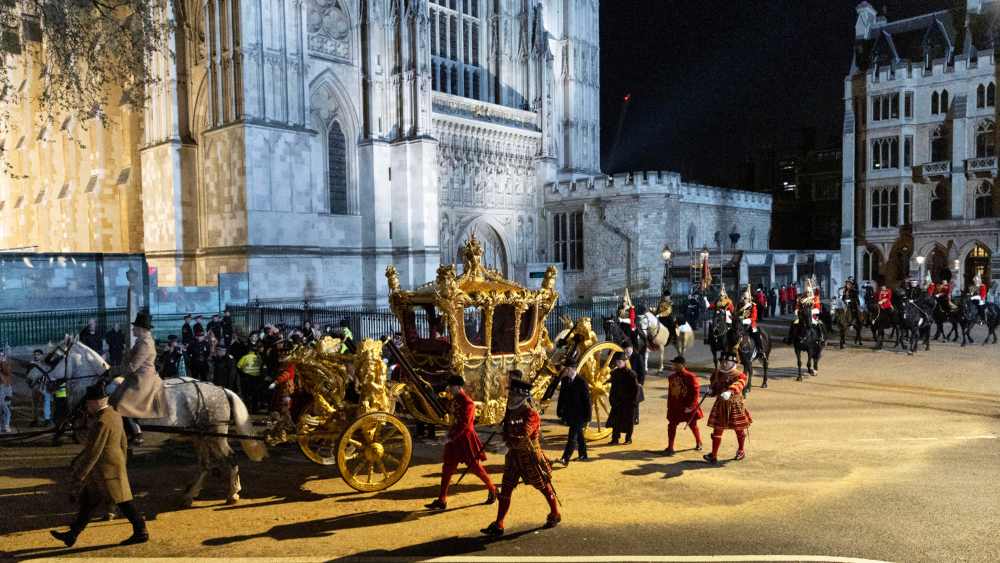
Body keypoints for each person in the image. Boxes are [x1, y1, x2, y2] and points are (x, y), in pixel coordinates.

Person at [50, 383, 149, 547]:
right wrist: (122, 461)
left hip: (105, 470)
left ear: (96, 402)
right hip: (112, 466)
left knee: (124, 502)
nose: (87, 407)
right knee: (89, 502)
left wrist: (79, 475)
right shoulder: (115, 414)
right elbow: (123, 441)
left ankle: (141, 531)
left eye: (88, 403)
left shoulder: (101, 421)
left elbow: (93, 452)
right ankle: (72, 534)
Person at [481, 371, 560, 537]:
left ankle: (555, 513)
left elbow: (524, 435)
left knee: (543, 486)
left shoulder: (531, 413)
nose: (509, 396)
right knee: (506, 489)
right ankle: (499, 523)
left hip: (529, 456)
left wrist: (504, 444)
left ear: (520, 395)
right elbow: (507, 430)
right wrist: (504, 436)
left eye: (512, 393)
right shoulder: (511, 410)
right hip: (513, 457)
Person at [425, 375, 497, 510]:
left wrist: (450, 437)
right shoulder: (455, 399)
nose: (449, 389)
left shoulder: (468, 403)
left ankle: (492, 489)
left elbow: (464, 425)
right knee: (447, 468)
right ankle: (442, 499)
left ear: (458, 387)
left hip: (465, 439)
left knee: (476, 468)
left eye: (451, 386)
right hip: (454, 439)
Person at [111, 313, 167, 445]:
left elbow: (132, 367)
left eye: (134, 327)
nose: (132, 329)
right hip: (136, 377)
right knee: (115, 398)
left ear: (141, 329)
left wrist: (113, 371)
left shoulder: (145, 344)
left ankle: (138, 434)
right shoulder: (141, 340)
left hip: (143, 379)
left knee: (122, 405)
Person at [704, 352, 752, 465]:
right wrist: (711, 391)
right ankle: (714, 455)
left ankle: (741, 450)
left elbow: (740, 384)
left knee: (739, 429)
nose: (724, 364)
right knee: (717, 430)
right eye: (723, 361)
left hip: (734, 404)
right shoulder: (717, 374)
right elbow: (715, 387)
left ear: (733, 363)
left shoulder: (740, 375)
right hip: (720, 404)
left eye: (727, 362)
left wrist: (730, 391)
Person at [664, 355, 703, 455]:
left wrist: (691, 406)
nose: (674, 365)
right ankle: (670, 446)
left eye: (677, 364)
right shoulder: (671, 377)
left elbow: (696, 392)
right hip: (675, 406)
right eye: (674, 364)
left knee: (693, 425)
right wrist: (669, 406)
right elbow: (670, 393)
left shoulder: (690, 376)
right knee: (671, 425)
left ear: (682, 365)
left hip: (687, 406)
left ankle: (699, 442)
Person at [556, 360, 591, 465]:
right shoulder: (565, 380)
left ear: (574, 369)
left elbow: (587, 401)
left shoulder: (582, 382)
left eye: (568, 369)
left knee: (572, 437)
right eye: (566, 369)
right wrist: (559, 410)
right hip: (570, 414)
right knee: (579, 435)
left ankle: (565, 458)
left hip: (580, 415)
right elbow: (561, 397)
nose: (566, 371)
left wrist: (588, 417)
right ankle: (583, 455)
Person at [608, 351, 639, 445]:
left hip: (629, 402)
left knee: (629, 421)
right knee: (616, 421)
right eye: (617, 362)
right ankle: (615, 439)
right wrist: (612, 399)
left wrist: (633, 402)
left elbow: (635, 389)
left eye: (620, 362)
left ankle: (628, 438)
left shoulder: (631, 374)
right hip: (617, 401)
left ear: (625, 362)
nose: (618, 363)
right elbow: (613, 388)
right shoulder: (614, 373)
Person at [26, 349, 52, 427]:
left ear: (42, 355)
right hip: (36, 386)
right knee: (35, 403)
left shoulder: (45, 364)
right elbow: (28, 376)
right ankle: (35, 419)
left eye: (38, 354)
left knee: (46, 402)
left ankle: (46, 419)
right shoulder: (31, 364)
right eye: (35, 354)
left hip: (44, 386)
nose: (36, 356)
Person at [236, 346, 264, 412]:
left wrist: (242, 375)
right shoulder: (258, 358)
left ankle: (246, 408)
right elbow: (262, 367)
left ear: (248, 351)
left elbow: (238, 366)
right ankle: (255, 409)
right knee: (255, 394)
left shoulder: (245, 357)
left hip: (247, 378)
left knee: (246, 394)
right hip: (256, 378)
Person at [739, 285, 765, 356]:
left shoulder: (753, 305)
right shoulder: (740, 305)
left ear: (749, 298)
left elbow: (754, 317)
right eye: (743, 297)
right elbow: (736, 313)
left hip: (750, 324)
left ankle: (760, 350)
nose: (743, 299)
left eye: (745, 298)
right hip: (740, 324)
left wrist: (745, 320)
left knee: (756, 335)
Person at [0, 349, 13, 433]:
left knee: (7, 406)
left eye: (1, 355)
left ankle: (5, 425)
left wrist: (3, 362)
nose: (0, 357)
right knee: (3, 408)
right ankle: (5, 425)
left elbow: (7, 372)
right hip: (1, 387)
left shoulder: (6, 364)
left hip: (7, 388)